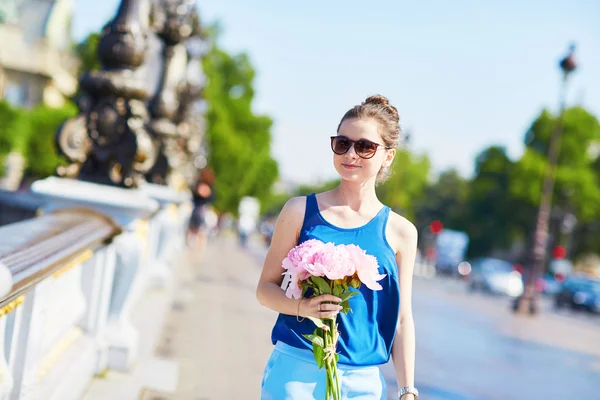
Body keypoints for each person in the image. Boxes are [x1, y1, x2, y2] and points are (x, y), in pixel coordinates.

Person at [256, 95, 418, 400]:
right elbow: (265, 288)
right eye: (342, 143)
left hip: (363, 383)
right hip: (296, 373)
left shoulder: (402, 232)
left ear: (388, 156)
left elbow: (402, 319)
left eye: (365, 146)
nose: (351, 154)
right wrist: (301, 307)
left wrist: (407, 390)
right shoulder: (299, 210)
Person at [187, 166, 215, 254]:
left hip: (198, 209)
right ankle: (198, 251)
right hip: (203, 210)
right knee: (201, 232)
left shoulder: (200, 184)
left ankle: (192, 249)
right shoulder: (209, 185)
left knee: (193, 229)